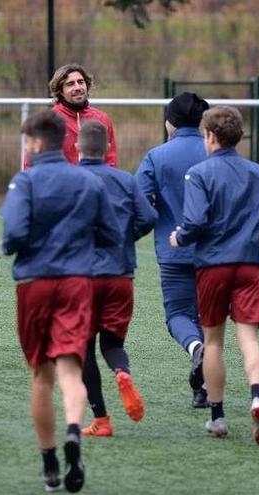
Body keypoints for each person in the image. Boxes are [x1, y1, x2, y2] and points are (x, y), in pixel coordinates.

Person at [1, 110, 123, 492]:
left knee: (41, 375)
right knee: (72, 369)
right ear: (65, 141)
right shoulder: (88, 182)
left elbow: (13, 236)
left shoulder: (25, 181)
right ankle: (74, 430)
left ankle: (50, 462)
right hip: (76, 282)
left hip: (35, 283)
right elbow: (111, 234)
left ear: (36, 143)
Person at [170, 106, 259, 445]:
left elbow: (194, 223)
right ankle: (256, 397)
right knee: (249, 338)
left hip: (212, 266)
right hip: (249, 264)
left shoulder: (199, 173)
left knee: (212, 343)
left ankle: (218, 416)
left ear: (209, 136)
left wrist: (179, 237)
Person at [77, 120, 157, 436]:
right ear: (108, 148)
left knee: (82, 349)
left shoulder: (71, 179)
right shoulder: (125, 179)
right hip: (120, 274)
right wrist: (126, 237)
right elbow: (149, 217)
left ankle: (101, 420)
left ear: (77, 147)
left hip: (81, 277)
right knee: (112, 344)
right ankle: (121, 372)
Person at [135, 92, 211, 408]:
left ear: (169, 123)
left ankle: (194, 349)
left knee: (179, 315)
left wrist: (150, 224)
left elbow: (139, 201)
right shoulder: (215, 153)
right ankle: (203, 388)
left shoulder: (157, 156)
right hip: (213, 252)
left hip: (173, 251)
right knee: (208, 319)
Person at [25, 63, 117, 167]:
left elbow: (110, 160)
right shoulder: (48, 120)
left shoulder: (102, 118)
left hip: (93, 183)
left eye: (81, 82)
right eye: (70, 84)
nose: (77, 87)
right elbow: (30, 164)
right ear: (61, 91)